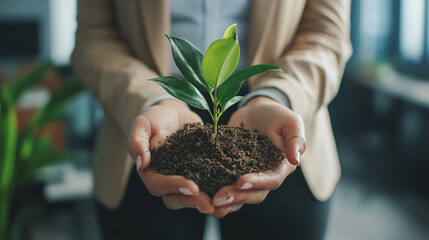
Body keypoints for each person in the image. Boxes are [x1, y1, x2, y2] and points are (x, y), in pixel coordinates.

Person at [72, 0, 352, 239]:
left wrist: (277, 96)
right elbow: (95, 36)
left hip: (276, 114)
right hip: (149, 118)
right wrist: (150, 99)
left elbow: (327, 36)